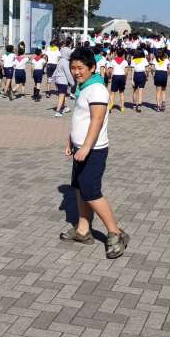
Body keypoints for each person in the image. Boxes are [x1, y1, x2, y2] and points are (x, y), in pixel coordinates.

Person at [60, 47, 129, 259]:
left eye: (80, 68)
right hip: (80, 148)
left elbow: (97, 120)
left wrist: (87, 147)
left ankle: (116, 233)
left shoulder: (97, 89)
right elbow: (80, 118)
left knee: (91, 192)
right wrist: (71, 140)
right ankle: (83, 230)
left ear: (92, 67)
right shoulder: (84, 87)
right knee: (79, 188)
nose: (76, 72)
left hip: (93, 150)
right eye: (73, 68)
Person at [52, 45, 75, 116]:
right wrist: (72, 82)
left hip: (58, 81)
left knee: (63, 95)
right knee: (62, 96)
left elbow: (56, 70)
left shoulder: (60, 61)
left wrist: (53, 78)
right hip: (63, 81)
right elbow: (68, 73)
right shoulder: (66, 62)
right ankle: (58, 111)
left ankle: (64, 107)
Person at [108, 46, 129, 114]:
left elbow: (110, 70)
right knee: (121, 92)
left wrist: (110, 76)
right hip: (122, 76)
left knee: (113, 92)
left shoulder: (113, 61)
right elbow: (126, 72)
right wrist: (125, 78)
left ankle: (111, 105)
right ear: (123, 54)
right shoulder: (125, 62)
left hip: (115, 76)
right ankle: (122, 107)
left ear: (116, 53)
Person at [130, 48, 149, 113]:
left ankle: (134, 105)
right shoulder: (144, 59)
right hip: (142, 75)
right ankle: (139, 105)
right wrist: (147, 75)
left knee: (134, 91)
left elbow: (132, 70)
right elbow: (147, 69)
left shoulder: (133, 60)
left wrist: (132, 79)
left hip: (135, 75)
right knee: (140, 91)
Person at [153, 48, 170, 112]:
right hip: (164, 74)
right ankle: (163, 103)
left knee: (158, 92)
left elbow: (152, 68)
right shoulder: (166, 59)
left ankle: (158, 106)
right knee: (163, 90)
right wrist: (168, 73)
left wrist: (153, 75)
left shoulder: (155, 59)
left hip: (157, 73)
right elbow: (169, 67)